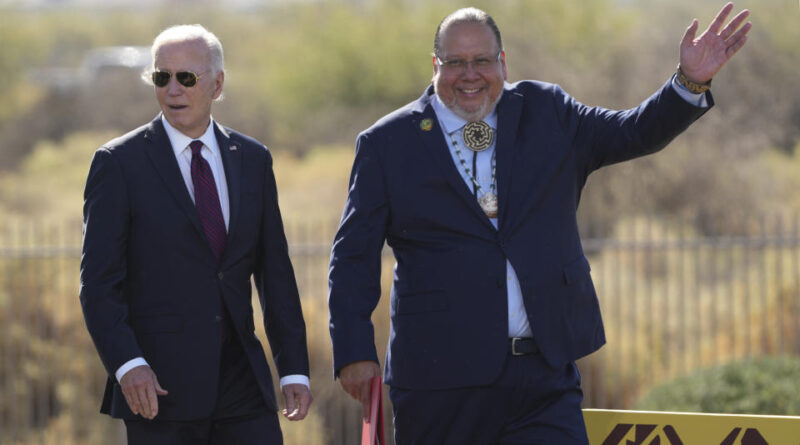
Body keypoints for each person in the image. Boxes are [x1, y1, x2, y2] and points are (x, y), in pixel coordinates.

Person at [328, 4, 750, 444]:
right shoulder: (387, 143)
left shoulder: (548, 112)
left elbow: (633, 132)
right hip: (439, 381)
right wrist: (355, 352)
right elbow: (353, 255)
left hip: (543, 379)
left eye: (482, 61)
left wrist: (688, 81)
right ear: (436, 65)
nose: (469, 74)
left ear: (502, 63)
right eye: (455, 62)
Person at [80, 24, 312, 444]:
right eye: (161, 77)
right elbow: (98, 284)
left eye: (186, 77)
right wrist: (128, 364)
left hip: (243, 382)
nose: (173, 89)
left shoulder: (253, 160)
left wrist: (294, 367)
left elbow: (275, 273)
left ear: (217, 83)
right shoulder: (118, 164)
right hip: (158, 389)